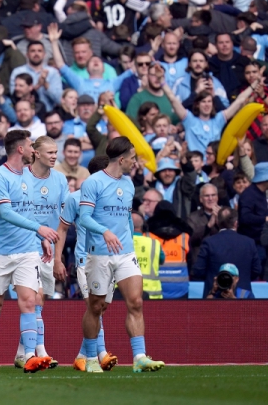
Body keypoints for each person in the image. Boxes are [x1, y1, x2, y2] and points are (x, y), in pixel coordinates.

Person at [78, 136, 164, 373]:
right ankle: (93, 358)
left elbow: (126, 216)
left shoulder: (128, 184)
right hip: (99, 254)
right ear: (122, 159)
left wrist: (130, 242)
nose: (136, 163)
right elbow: (84, 217)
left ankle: (139, 357)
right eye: (133, 158)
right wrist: (104, 232)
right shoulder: (93, 183)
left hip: (125, 253)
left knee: (136, 302)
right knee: (96, 307)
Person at [0, 129, 55, 374]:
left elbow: (28, 211)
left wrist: (38, 237)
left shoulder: (29, 176)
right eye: (31, 145)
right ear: (20, 149)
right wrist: (40, 228)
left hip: (26, 250)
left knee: (30, 302)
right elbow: (6, 213)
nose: (35, 149)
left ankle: (31, 356)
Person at [55, 154, 118, 371]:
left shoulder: (115, 197)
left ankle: (82, 355)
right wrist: (58, 259)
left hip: (111, 259)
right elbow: (62, 229)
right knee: (95, 306)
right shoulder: (75, 198)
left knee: (101, 307)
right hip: (85, 259)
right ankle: (98, 354)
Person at [18, 136, 68, 368]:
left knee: (40, 301)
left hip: (49, 247)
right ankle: (40, 351)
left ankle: (23, 352)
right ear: (36, 153)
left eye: (56, 152)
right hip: (25, 245)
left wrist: (58, 255)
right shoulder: (21, 177)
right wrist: (39, 236)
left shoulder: (60, 179)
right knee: (34, 298)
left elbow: (62, 219)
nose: (54, 156)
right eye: (49, 152)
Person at [193, 206, 262, 297]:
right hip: (242, 297)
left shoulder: (209, 242)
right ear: (236, 223)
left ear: (217, 222)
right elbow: (257, 270)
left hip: (214, 298)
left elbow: (198, 270)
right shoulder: (249, 242)